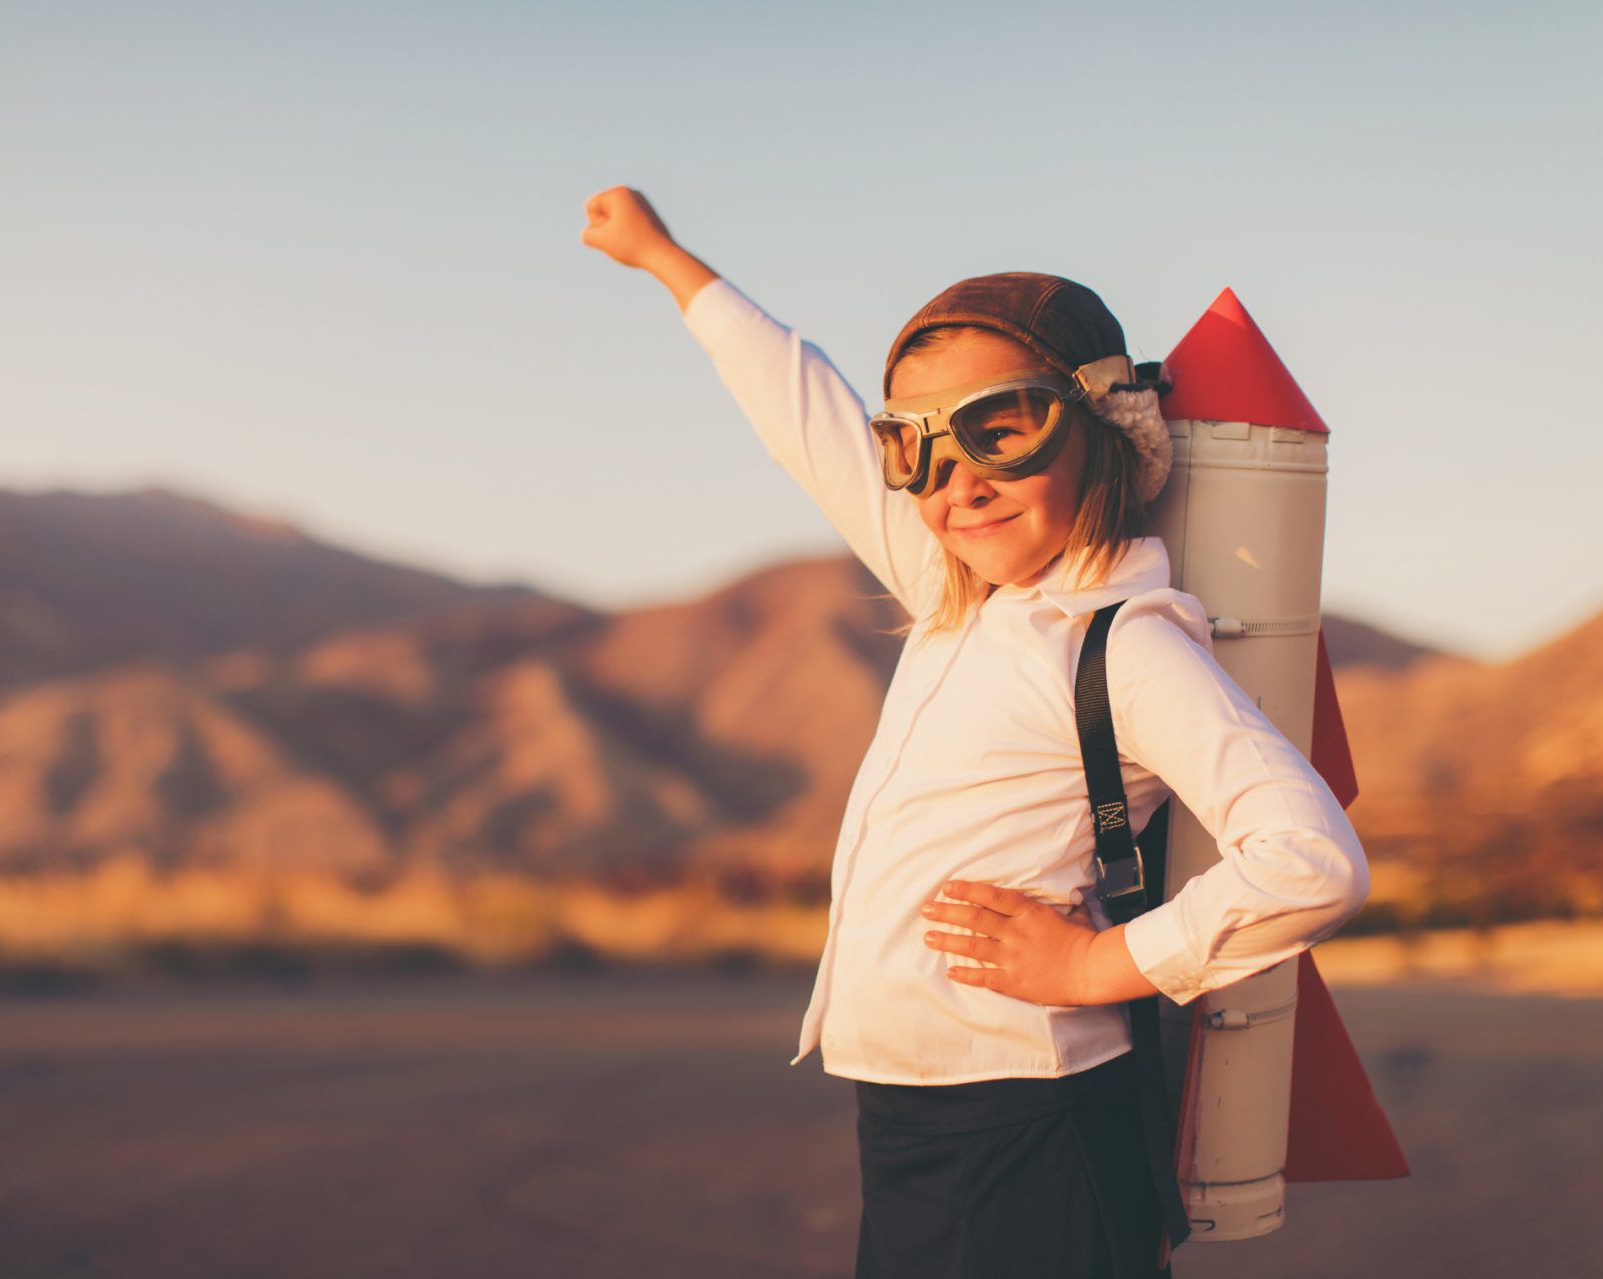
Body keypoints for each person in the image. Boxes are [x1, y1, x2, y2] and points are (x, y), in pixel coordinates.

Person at [579, 185, 1370, 1278]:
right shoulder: (962, 598)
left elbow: (1313, 860)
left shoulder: (1123, 645)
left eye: (1000, 428)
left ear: (1102, 424)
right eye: (916, 446)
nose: (958, 481)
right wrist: (670, 264)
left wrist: (1101, 963)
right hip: (910, 1115)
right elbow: (806, 421)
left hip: (1028, 1124)